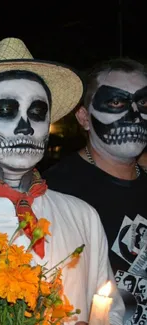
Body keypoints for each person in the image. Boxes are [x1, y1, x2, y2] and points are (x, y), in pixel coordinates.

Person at [0, 38, 124, 325]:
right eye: (5, 110)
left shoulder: (82, 216)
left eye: (38, 113)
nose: (26, 127)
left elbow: (110, 307)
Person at [43, 58, 147, 324]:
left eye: (144, 103)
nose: (135, 115)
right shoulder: (55, 193)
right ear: (84, 117)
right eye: (116, 103)